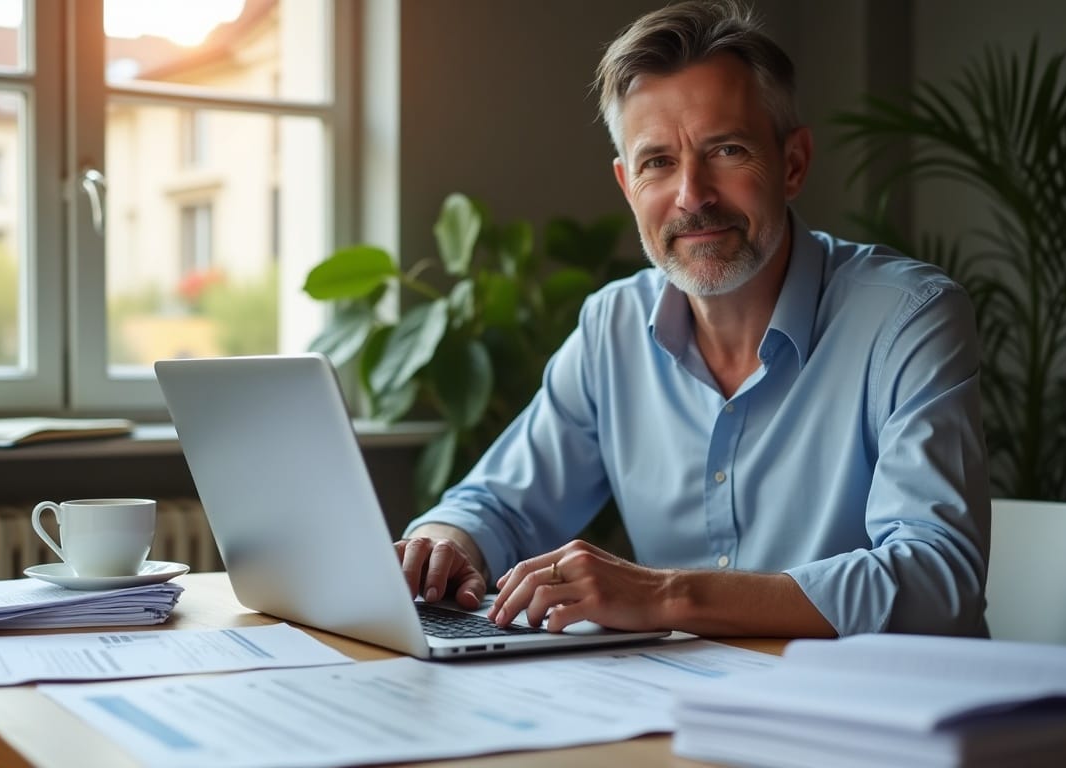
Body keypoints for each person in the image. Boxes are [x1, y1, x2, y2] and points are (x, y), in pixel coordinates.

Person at [397, 0, 990, 638]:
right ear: (628, 186)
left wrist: (669, 596)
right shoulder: (613, 327)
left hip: (872, 717)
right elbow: (499, 503)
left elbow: (937, 578)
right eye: (658, 162)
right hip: (676, 709)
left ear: (792, 164)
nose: (692, 196)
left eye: (727, 150)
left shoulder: (907, 318)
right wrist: (443, 543)